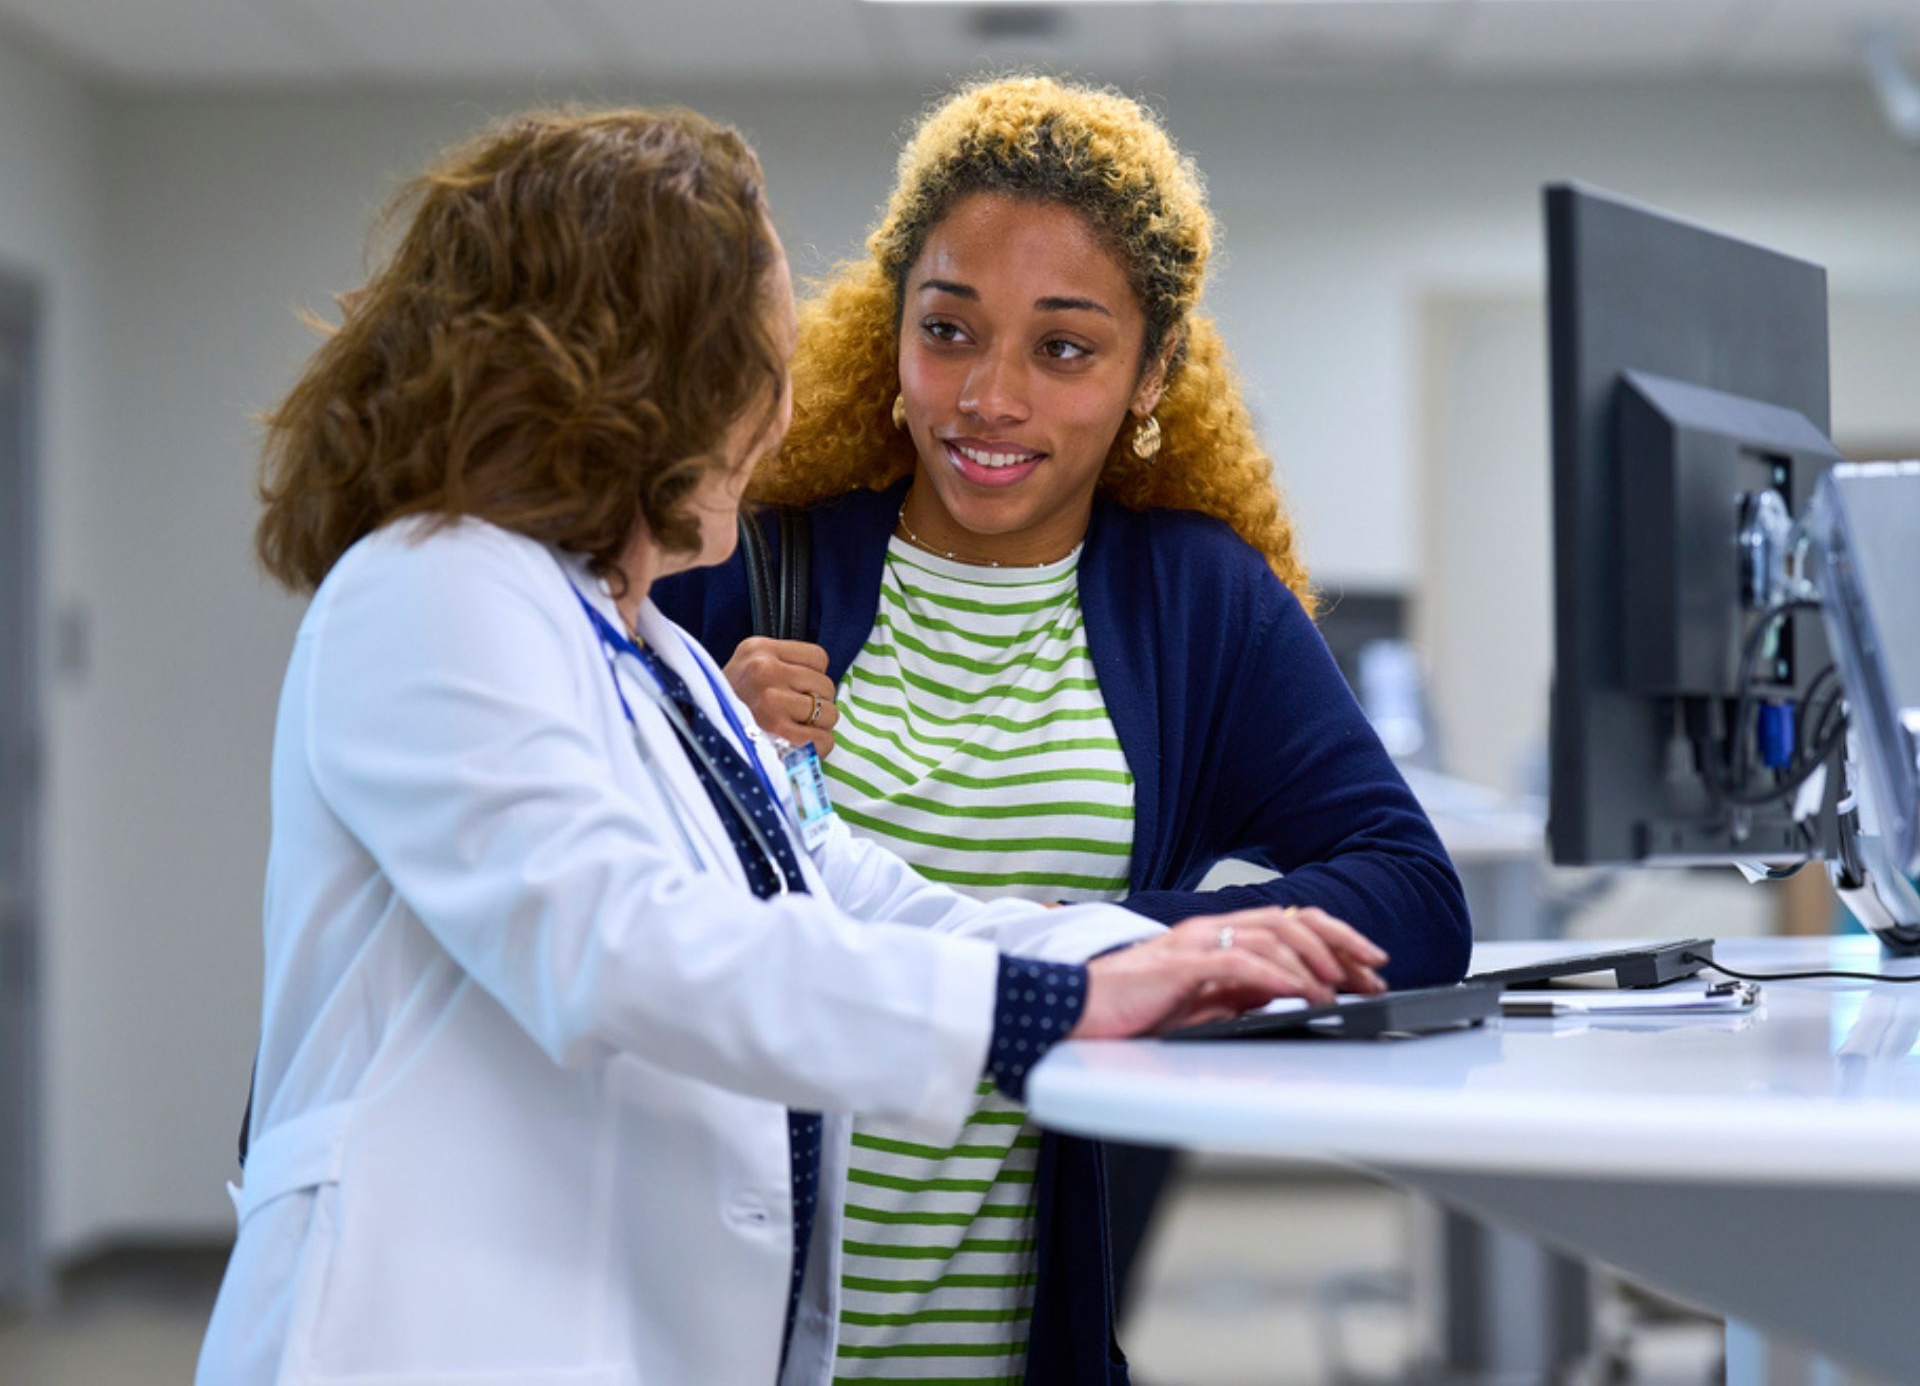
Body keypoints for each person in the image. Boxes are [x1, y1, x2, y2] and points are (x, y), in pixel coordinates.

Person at [194, 106, 1384, 1386]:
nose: (781, 416)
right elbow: (619, 942)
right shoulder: (430, 591)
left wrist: (1155, 951)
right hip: (419, 1331)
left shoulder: (649, 652)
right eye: (761, 362)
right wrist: (1063, 1002)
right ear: (634, 375)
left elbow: (839, 885)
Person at [653, 75, 1472, 1382]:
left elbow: (1415, 898)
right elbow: (596, 906)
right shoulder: (741, 569)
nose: (990, 396)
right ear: (892, 332)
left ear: (1151, 369)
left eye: (1065, 348)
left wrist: (1115, 954)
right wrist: (699, 756)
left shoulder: (1199, 606)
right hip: (717, 1329)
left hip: (1017, 1344)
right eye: (950, 330)